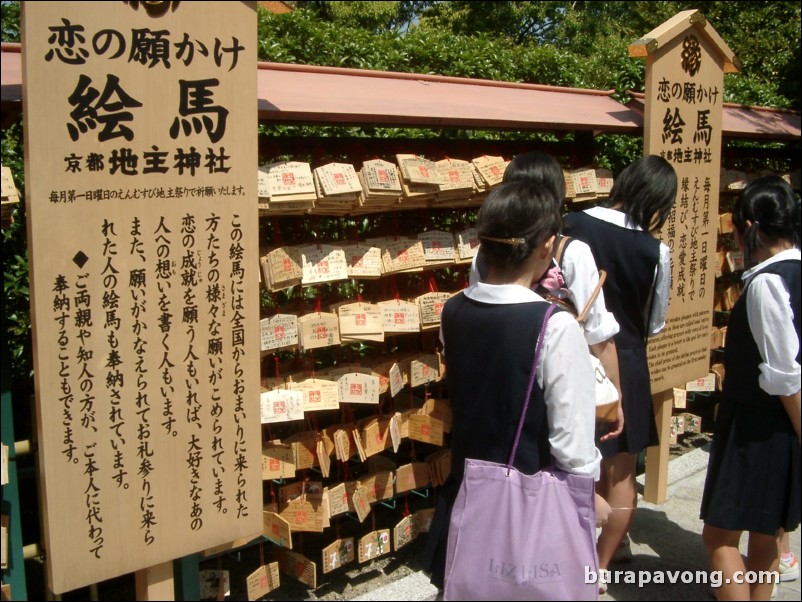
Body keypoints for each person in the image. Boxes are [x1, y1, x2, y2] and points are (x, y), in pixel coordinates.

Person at [421, 179, 604, 590]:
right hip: (529, 507)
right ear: (545, 246)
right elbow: (571, 446)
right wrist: (590, 499)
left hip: (466, 500)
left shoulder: (453, 310)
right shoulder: (553, 327)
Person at [562, 154, 678, 591]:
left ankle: (568, 550)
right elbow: (656, 322)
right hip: (626, 357)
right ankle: (604, 564)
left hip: (569, 349)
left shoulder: (572, 224)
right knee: (622, 470)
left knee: (571, 458)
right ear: (660, 201)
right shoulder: (655, 250)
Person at [470, 151, 625, 442]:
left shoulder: (485, 253)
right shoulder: (571, 252)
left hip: (496, 380)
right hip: (555, 389)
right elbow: (599, 335)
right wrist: (615, 394)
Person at [700, 175, 801, 601]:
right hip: (784, 426)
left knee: (719, 539)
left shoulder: (765, 283)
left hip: (759, 426)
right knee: (766, 534)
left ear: (748, 228)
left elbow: (783, 373)